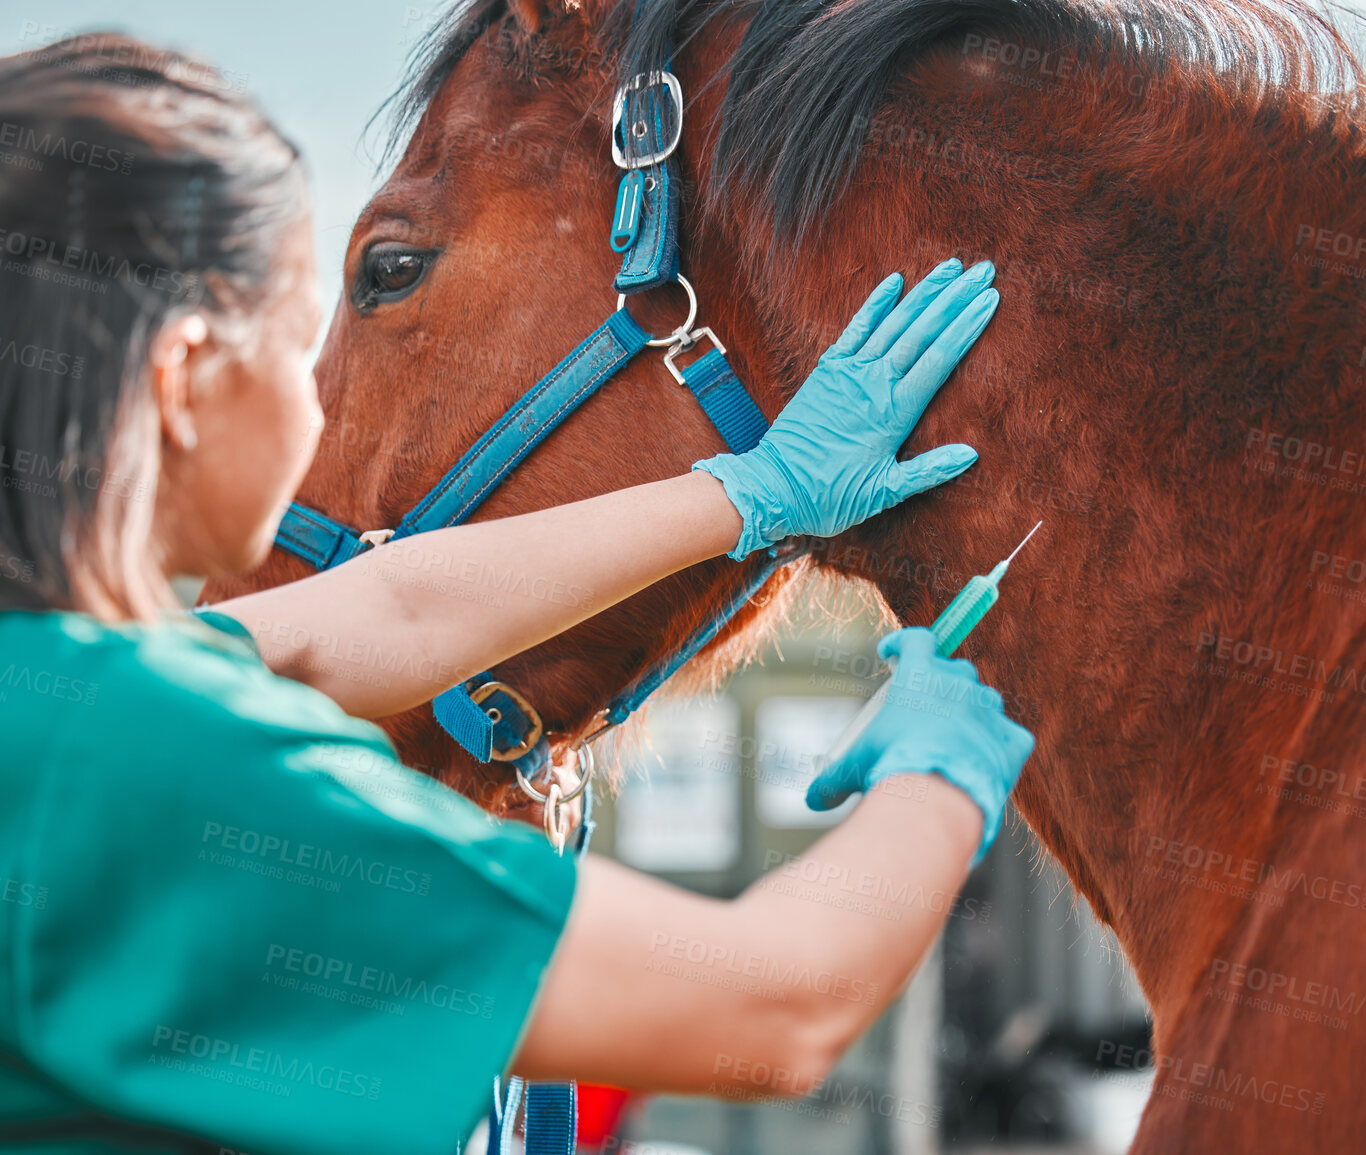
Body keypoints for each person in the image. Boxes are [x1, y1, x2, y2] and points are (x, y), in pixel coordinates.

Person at [0, 34, 1036, 1155]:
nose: (316, 404)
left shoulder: (59, 694)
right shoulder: (161, 756)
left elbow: (389, 613)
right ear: (184, 379)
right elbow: (775, 1007)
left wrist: (750, 494)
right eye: (299, 344)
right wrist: (945, 765)